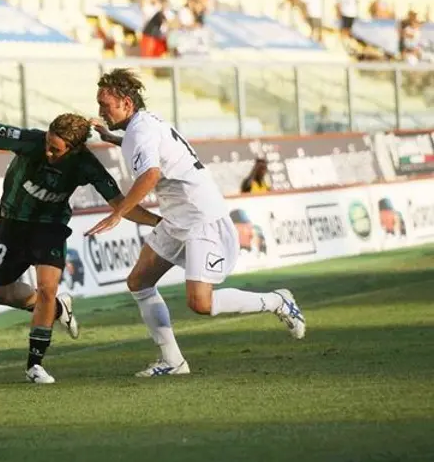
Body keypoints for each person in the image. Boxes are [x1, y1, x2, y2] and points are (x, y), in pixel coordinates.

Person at [0, 99, 162, 384]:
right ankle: (59, 310)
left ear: (73, 149)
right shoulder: (31, 141)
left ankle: (34, 365)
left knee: (47, 288)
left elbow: (121, 204)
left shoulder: (86, 165)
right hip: (11, 224)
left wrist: (161, 223)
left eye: (56, 149)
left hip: (49, 227)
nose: (48, 152)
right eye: (48, 143)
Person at [88, 69, 306, 378]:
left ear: (125, 102)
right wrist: (110, 137)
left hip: (200, 217)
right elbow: (155, 154)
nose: (100, 111)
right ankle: (173, 361)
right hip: (179, 216)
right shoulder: (145, 124)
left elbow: (150, 175)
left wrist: (118, 213)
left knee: (200, 303)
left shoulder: (140, 131)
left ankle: (277, 301)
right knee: (139, 281)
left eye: (104, 104)